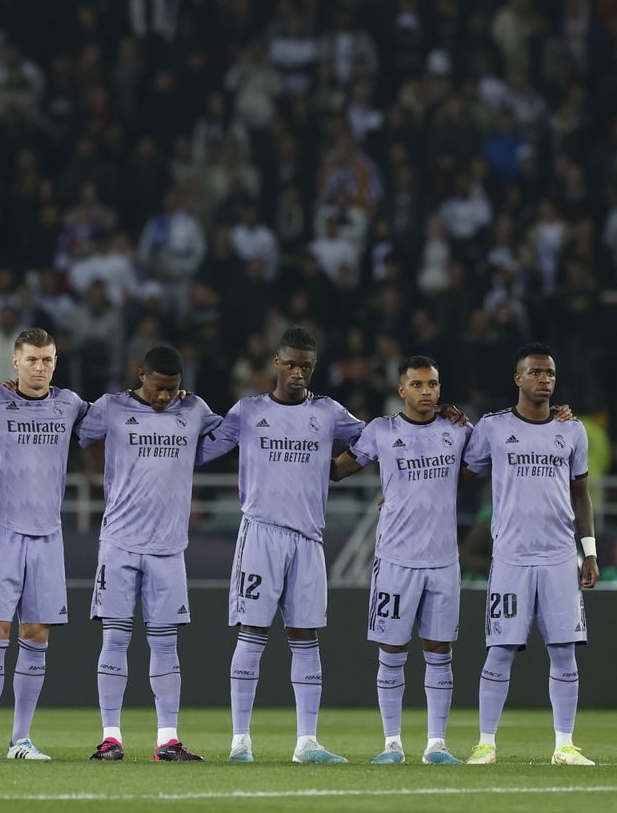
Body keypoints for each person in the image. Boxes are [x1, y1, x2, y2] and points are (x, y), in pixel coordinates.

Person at [202, 326, 365, 764]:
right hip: (261, 533)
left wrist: (338, 469)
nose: (298, 373)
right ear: (276, 362)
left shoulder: (328, 412)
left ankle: (307, 742)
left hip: (309, 538)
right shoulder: (248, 411)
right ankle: (240, 741)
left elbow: (376, 441)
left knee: (306, 634)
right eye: (291, 364)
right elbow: (200, 450)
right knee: (252, 632)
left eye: (306, 367)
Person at [77, 344, 223, 763]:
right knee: (115, 638)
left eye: (172, 389)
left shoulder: (194, 410)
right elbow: (70, 431)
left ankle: (168, 740)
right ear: (141, 375)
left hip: (169, 547)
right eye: (158, 387)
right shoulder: (111, 408)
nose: (164, 396)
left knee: (165, 643)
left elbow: (234, 436)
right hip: (119, 542)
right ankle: (110, 738)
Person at [462, 343, 598, 766]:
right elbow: (460, 473)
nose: (545, 379)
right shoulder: (493, 427)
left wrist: (589, 552)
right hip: (511, 557)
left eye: (550, 373)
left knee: (564, 650)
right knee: (500, 650)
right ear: (518, 378)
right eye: (536, 372)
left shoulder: (572, 430)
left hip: (560, 556)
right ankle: (486, 744)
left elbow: (581, 494)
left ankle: (565, 746)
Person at [330, 355, 470, 765]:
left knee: (439, 648)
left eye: (433, 384)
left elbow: (484, 460)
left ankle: (436, 745)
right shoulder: (382, 431)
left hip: (442, 559)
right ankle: (392, 744)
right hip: (395, 558)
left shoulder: (458, 430)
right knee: (392, 648)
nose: (427, 391)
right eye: (418, 384)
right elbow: (337, 471)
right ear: (401, 390)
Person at [0, 327, 88, 761]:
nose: (39, 368)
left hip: (48, 535)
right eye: (31, 359)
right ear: (15, 361)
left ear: (55, 363)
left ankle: (21, 739)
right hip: (1, 531)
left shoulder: (70, 404)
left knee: (36, 633)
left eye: (47, 360)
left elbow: (109, 419)